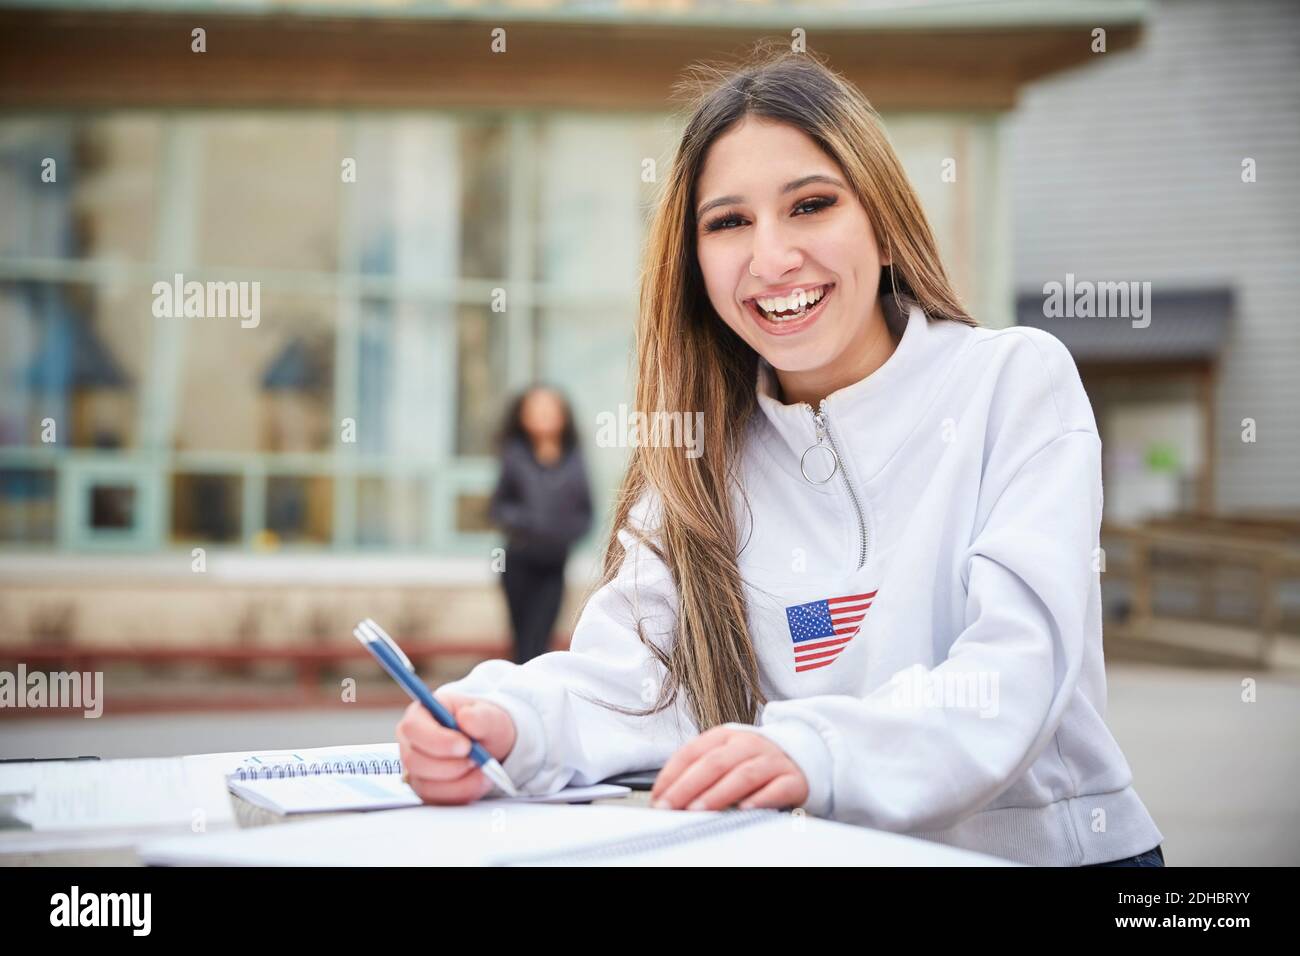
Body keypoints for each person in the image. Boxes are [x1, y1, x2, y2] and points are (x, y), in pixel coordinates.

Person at [395, 46, 1165, 867]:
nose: (770, 259)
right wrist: (500, 723)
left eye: (810, 205)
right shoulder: (698, 458)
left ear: (883, 217)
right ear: (694, 264)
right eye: (728, 222)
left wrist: (815, 751)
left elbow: (1016, 672)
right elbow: (631, 680)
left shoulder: (1012, 382)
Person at [488, 385, 593, 664]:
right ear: (523, 417)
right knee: (522, 642)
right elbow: (497, 508)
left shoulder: (575, 459)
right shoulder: (514, 456)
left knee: (541, 640)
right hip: (519, 563)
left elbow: (586, 512)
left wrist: (563, 533)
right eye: (536, 409)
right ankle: (517, 701)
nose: (544, 415)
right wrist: (530, 523)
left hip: (554, 565)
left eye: (551, 409)